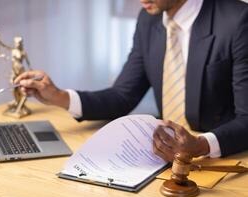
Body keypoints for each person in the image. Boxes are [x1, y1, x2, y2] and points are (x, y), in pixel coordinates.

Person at [15, 0, 248, 162]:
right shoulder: (149, 19)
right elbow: (123, 96)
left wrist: (200, 145)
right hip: (164, 157)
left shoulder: (239, 21)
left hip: (223, 158)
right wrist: (60, 97)